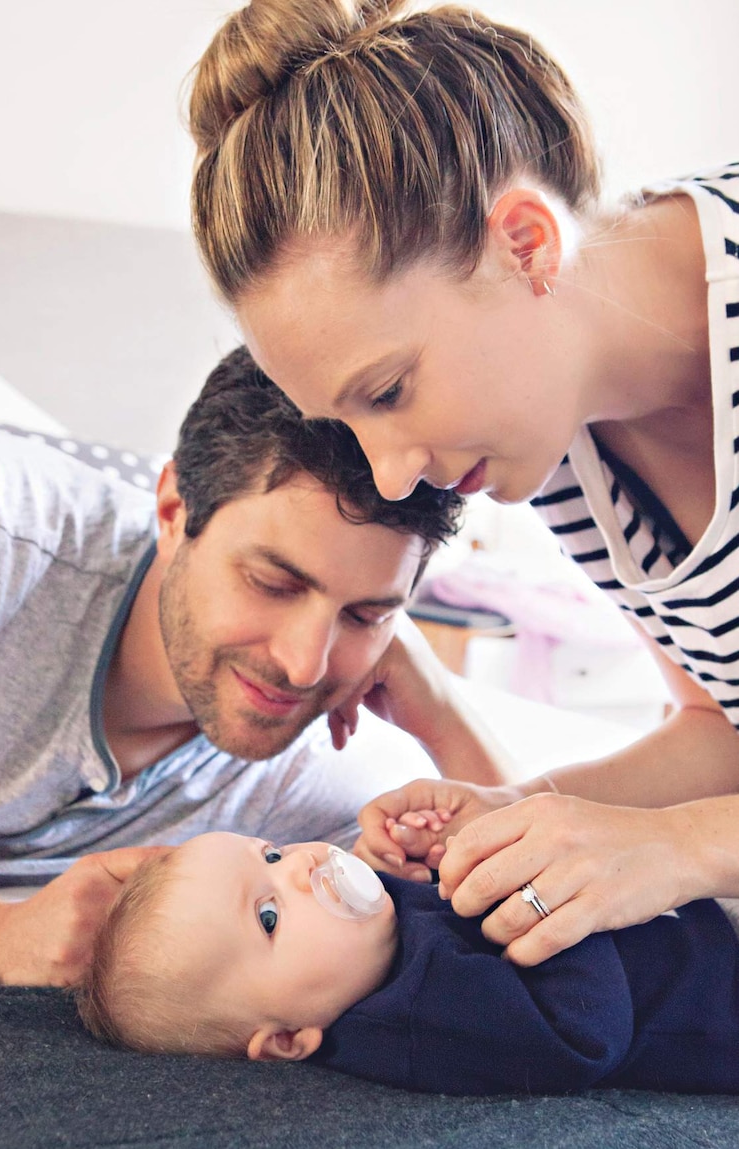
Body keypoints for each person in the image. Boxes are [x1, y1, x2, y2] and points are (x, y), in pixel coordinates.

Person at [187, 0, 739, 966]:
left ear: (526, 242)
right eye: (350, 427)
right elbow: (717, 728)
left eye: (391, 389)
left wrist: (684, 847)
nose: (394, 470)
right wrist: (522, 812)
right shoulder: (562, 442)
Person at [0, 345, 498, 987]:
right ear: (174, 512)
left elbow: (548, 933)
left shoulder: (329, 784)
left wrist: (445, 718)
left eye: (364, 615)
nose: (305, 665)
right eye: (273, 583)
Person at [76, 829, 739, 1095]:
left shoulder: (367, 946)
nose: (304, 864)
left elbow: (450, 911)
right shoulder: (419, 1017)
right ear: (288, 1037)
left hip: (696, 918)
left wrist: (438, 860)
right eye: (269, 913)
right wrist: (557, 901)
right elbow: (581, 1037)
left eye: (271, 853)